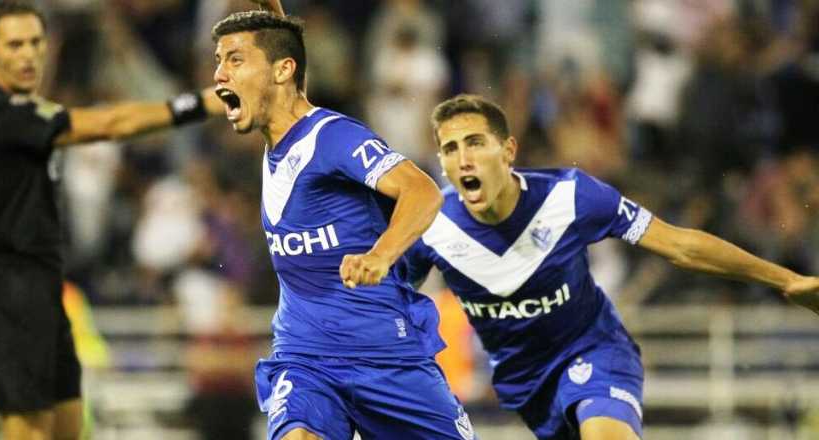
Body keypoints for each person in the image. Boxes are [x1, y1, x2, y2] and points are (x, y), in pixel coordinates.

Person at [398, 93, 819, 440]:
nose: (464, 159)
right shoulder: (429, 226)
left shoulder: (571, 197)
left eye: (475, 142)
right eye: (451, 149)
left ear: (508, 150)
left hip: (594, 350)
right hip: (525, 386)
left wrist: (788, 280)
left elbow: (679, 246)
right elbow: (383, 304)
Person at [0, 1, 224, 439]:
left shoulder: (17, 117)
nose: (28, 55)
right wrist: (199, 104)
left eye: (36, 43)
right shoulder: (0, 116)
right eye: (14, 44)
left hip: (43, 294)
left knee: (70, 430)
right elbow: (110, 122)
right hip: (14, 299)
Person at [210, 10, 476, 440]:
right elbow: (289, 78)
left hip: (388, 362)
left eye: (235, 60)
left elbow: (422, 191)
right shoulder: (281, 134)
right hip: (306, 359)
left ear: (282, 70)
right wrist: (274, 20)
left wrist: (380, 255)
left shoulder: (334, 137)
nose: (219, 75)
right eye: (218, 60)